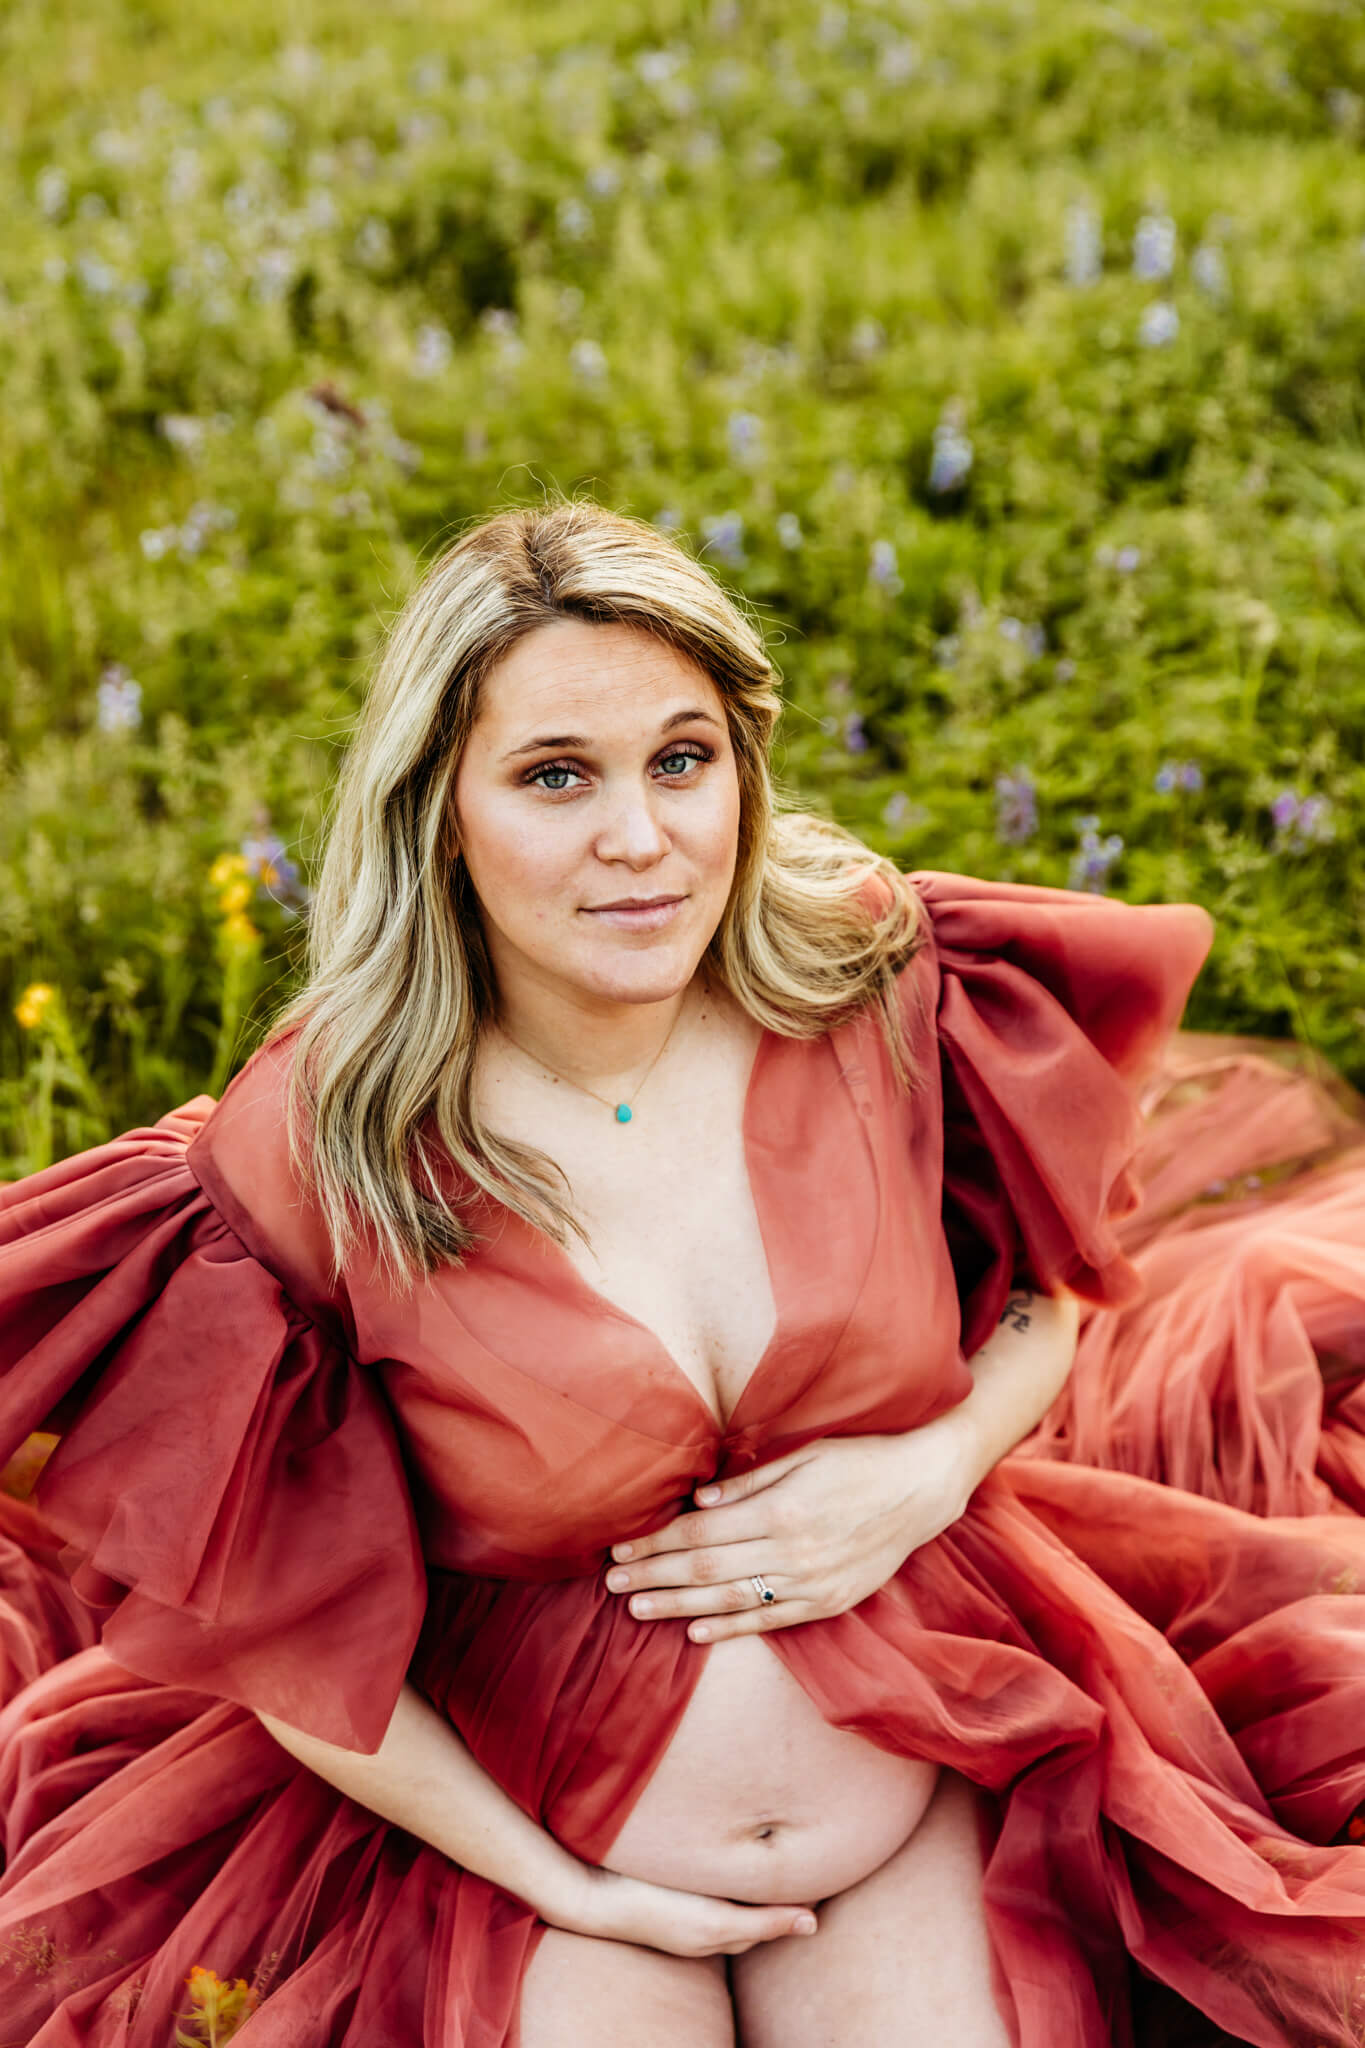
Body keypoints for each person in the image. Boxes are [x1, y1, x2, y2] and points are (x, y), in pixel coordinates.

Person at [1, 499, 1364, 2047]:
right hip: (529, 1844)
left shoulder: (876, 978)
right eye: (554, 778)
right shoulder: (320, 1150)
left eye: (681, 758)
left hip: (928, 1755)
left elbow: (1056, 1292)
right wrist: (570, 1894)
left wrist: (932, 1468)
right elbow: (283, 1632)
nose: (639, 839)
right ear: (440, 809)